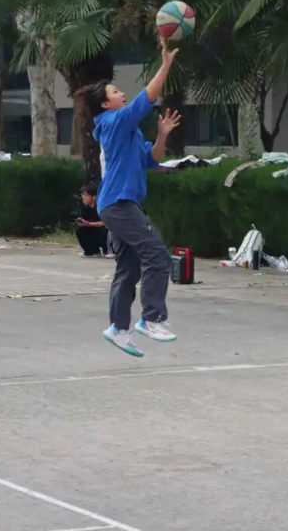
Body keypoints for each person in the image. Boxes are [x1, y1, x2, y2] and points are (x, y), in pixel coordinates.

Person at [80, 37, 182, 358]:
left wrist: (162, 135)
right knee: (158, 255)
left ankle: (118, 329)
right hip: (118, 203)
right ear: (105, 104)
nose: (120, 93)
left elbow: (152, 158)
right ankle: (151, 318)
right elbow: (144, 100)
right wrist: (165, 66)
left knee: (129, 267)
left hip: (118, 204)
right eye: (114, 91)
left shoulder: (127, 131)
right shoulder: (112, 122)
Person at [76, 183, 110, 258]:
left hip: (106, 230)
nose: (83, 197)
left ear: (94, 197)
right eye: (82, 195)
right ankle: (92, 251)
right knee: (81, 230)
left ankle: (108, 250)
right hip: (94, 230)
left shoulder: (102, 206)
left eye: (86, 195)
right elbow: (86, 222)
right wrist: (82, 222)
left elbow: (105, 222)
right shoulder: (84, 208)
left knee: (105, 230)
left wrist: (89, 224)